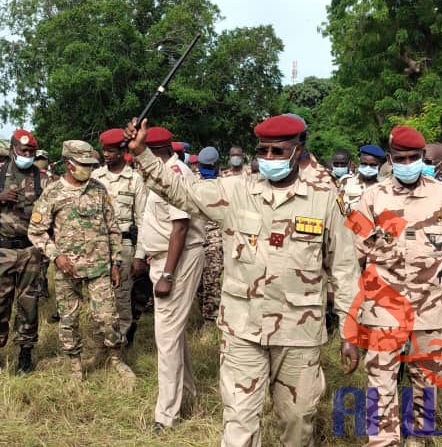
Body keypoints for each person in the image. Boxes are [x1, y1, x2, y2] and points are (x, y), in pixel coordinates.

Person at [124, 114, 358, 446]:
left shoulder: (324, 197)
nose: (269, 158)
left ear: (299, 151)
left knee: (297, 420)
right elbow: (181, 191)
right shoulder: (236, 189)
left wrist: (350, 328)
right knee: (239, 419)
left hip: (298, 331)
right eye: (263, 151)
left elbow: (345, 267)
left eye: (279, 151)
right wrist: (142, 153)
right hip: (242, 328)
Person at [347, 126, 442, 447]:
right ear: (390, 160)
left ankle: (419, 439)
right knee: (380, 385)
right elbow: (351, 258)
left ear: (423, 158)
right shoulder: (371, 198)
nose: (407, 163)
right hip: (383, 310)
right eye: (400, 158)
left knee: (428, 384)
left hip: (431, 310)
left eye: (413, 158)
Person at [28, 140, 130, 381]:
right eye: (84, 164)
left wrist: (115, 262)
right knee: (69, 319)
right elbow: (36, 230)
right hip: (68, 269)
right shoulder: (53, 192)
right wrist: (56, 256)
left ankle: (115, 358)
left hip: (100, 267)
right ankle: (75, 364)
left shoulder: (99, 189)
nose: (89, 169)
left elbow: (112, 227)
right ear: (68, 164)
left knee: (107, 317)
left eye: (91, 164)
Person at [134, 127, 207, 431]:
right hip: (163, 257)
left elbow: (179, 228)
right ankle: (186, 395)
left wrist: (167, 274)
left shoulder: (174, 173)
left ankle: (165, 416)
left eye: (141, 154)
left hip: (178, 258)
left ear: (155, 151)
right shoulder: (159, 173)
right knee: (172, 334)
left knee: (165, 338)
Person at [0, 129, 49, 374]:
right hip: (3, 249)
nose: (27, 155)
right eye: (23, 150)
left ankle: (25, 355)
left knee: (29, 305)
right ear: (13, 149)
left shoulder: (43, 179)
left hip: (31, 251)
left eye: (31, 152)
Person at [92, 128, 148, 346]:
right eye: (104, 150)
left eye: (111, 150)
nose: (106, 154)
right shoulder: (96, 177)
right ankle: (100, 341)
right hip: (97, 246)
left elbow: (143, 220)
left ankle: (121, 343)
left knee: (122, 297)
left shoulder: (135, 180)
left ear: (122, 150)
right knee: (99, 296)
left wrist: (140, 255)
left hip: (124, 246)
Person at [195, 145, 223, 323]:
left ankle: (210, 321)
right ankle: (202, 313)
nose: (208, 171)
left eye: (210, 168)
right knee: (198, 282)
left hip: (215, 238)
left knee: (212, 279)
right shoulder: (192, 182)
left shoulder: (225, 185)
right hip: (196, 237)